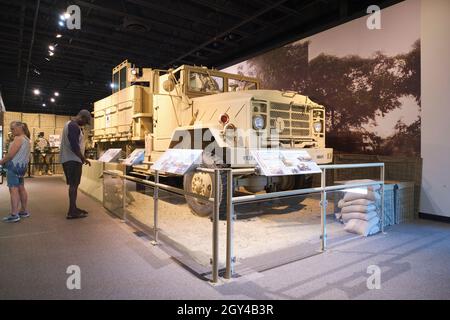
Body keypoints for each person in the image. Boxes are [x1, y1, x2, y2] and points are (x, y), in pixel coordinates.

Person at [60, 109, 92, 219]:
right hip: (72, 160)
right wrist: (83, 158)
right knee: (74, 185)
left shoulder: (69, 124)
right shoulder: (73, 126)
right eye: (85, 122)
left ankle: (73, 207)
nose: (85, 125)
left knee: (74, 185)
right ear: (81, 117)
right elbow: (74, 145)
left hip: (70, 159)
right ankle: (72, 211)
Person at [0, 121, 31, 223]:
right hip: (22, 168)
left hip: (13, 167)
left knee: (13, 190)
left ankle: (14, 214)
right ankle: (24, 211)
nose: (11, 131)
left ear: (19, 128)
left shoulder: (18, 138)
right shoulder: (27, 139)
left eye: (12, 129)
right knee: (21, 188)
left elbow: (10, 155)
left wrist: (1, 162)